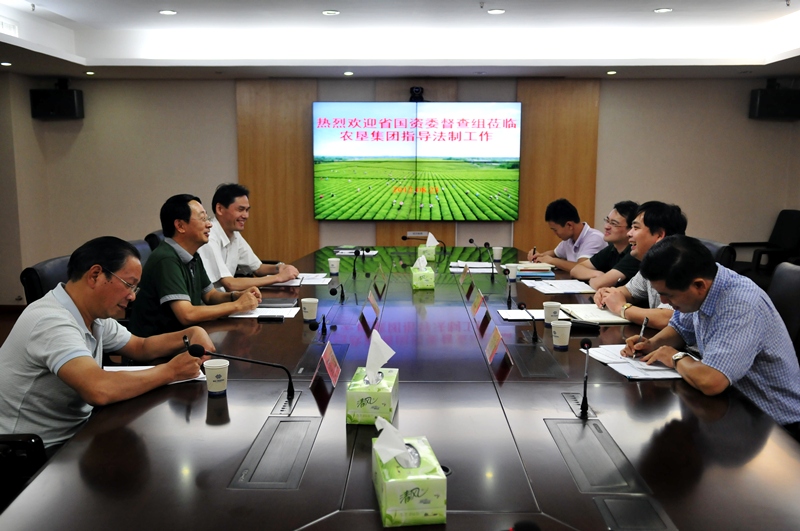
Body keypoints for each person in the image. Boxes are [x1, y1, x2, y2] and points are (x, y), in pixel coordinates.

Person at [0, 237, 214, 450]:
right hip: (30, 450)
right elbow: (98, 389)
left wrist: (192, 332)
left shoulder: (93, 314)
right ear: (95, 275)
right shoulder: (51, 321)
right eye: (129, 285)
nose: (132, 297)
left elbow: (139, 346)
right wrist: (171, 371)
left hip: (77, 430)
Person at [621, 235, 800, 437]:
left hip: (774, 424)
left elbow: (711, 382)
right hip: (733, 403)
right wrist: (652, 344)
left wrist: (675, 357)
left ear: (699, 286)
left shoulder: (740, 306)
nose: (663, 301)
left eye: (669, 295)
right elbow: (681, 328)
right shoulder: (706, 281)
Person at [129, 194, 261, 337]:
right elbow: (187, 315)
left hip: (185, 336)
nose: (209, 224)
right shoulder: (166, 259)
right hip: (158, 343)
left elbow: (210, 295)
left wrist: (236, 296)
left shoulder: (192, 255)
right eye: (203, 219)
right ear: (180, 226)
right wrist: (237, 305)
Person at [593, 201, 687, 329]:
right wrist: (607, 293)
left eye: (636, 228)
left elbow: (667, 318)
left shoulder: (679, 264)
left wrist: (622, 308)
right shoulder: (651, 263)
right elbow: (629, 292)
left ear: (659, 235)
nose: (629, 233)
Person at [198, 183, 299, 291]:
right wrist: (278, 278)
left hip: (228, 298)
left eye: (247, 210)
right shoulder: (209, 237)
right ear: (220, 209)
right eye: (240, 209)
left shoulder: (234, 234)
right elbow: (230, 284)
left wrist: (280, 268)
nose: (246, 216)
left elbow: (258, 268)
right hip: (213, 301)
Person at [570, 200, 640, 289]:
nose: (606, 226)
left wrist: (600, 279)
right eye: (607, 221)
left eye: (614, 224)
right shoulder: (612, 248)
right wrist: (598, 274)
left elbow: (599, 284)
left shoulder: (635, 252)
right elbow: (575, 270)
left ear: (631, 229)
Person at [526, 198, 605, 272]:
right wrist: (539, 256)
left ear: (569, 225)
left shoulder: (595, 239)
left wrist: (552, 261)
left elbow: (581, 268)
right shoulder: (569, 239)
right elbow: (554, 254)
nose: (555, 234)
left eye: (555, 230)